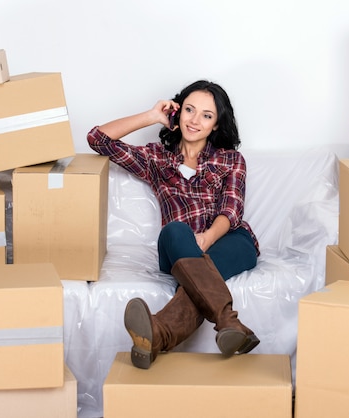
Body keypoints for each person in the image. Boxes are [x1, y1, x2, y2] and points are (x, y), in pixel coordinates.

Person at [87, 80, 260, 369]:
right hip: (178, 248)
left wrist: (206, 239)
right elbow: (97, 139)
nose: (195, 120)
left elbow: (231, 211)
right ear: (177, 113)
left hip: (229, 240)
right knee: (175, 229)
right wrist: (152, 115)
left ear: (216, 124)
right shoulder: (157, 158)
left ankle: (159, 333)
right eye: (189, 110)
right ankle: (229, 323)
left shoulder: (231, 160)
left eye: (206, 115)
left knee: (221, 255)